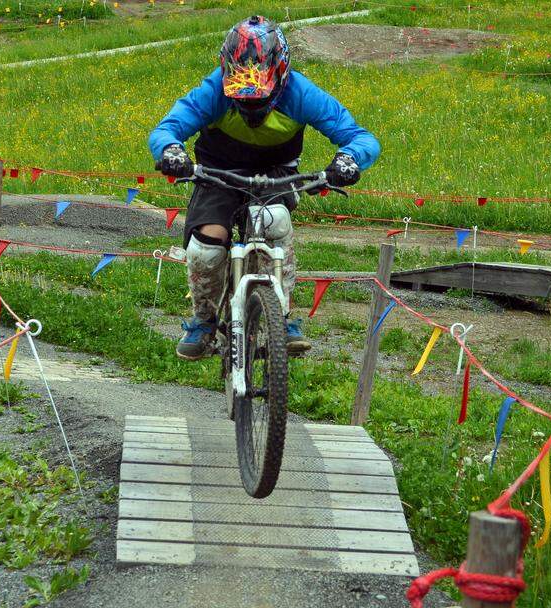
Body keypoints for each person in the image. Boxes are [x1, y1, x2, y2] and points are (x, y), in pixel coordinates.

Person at [148, 15, 380, 360]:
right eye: (240, 94)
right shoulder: (213, 90)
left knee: (275, 222)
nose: (249, 104)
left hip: (276, 173)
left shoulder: (300, 93)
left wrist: (348, 161)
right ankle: (204, 321)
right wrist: (170, 151)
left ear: (280, 74)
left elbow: (361, 138)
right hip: (217, 171)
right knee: (207, 246)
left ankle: (281, 317)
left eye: (258, 94)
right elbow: (167, 128)